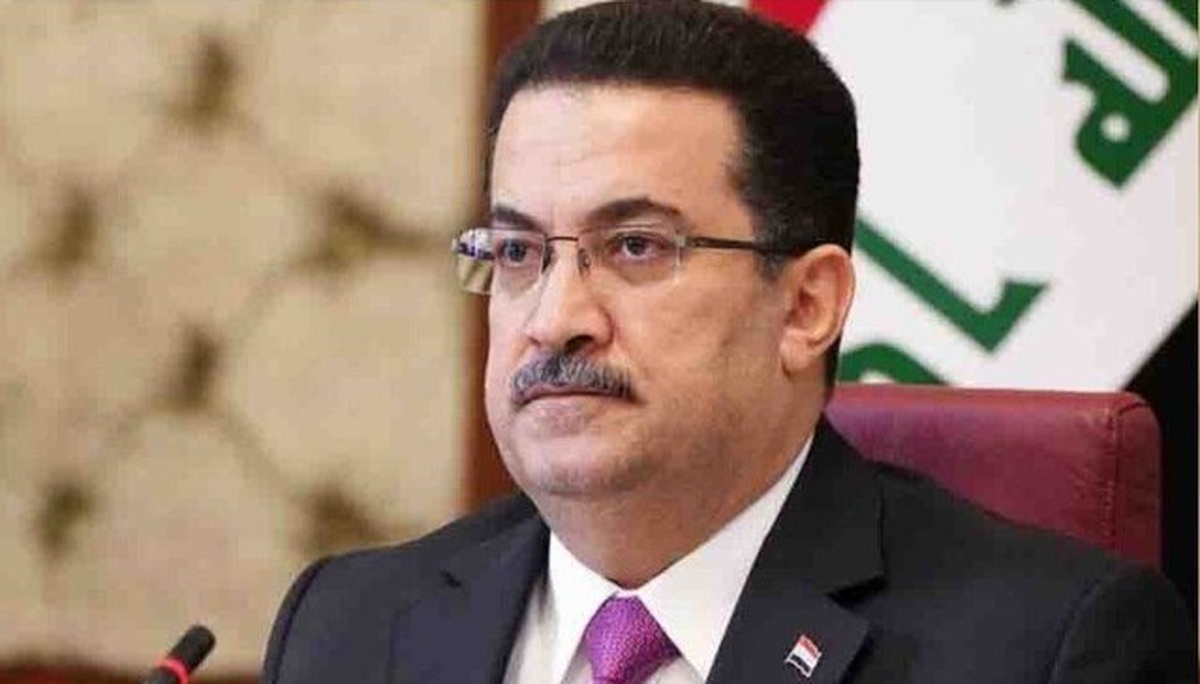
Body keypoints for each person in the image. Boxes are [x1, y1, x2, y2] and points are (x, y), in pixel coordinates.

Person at [259, 2, 1196, 682]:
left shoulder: (1046, 649)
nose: (554, 316)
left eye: (635, 245)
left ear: (807, 307)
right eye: (517, 252)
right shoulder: (349, 630)